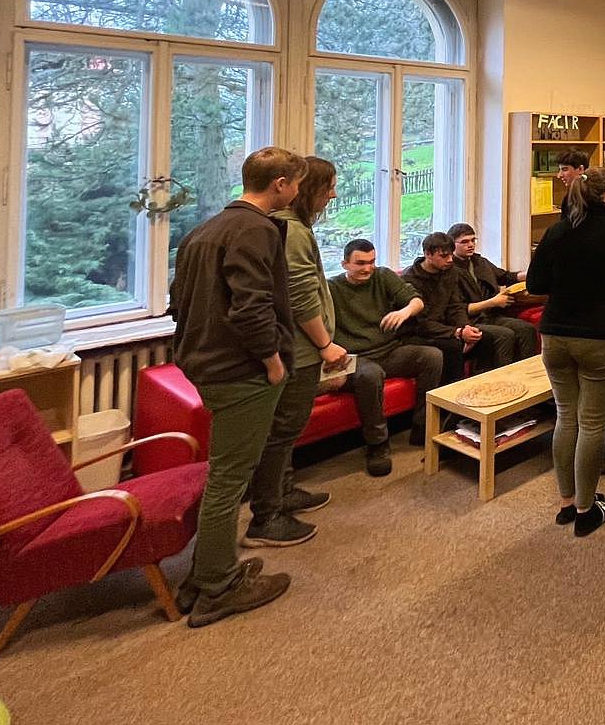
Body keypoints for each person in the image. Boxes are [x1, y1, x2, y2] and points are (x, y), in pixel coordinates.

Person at [167, 146, 304, 627]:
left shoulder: (205, 230)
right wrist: (272, 361)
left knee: (226, 473)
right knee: (229, 479)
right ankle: (218, 587)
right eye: (296, 183)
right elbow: (251, 306)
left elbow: (178, 300)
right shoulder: (257, 230)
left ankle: (205, 573)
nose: (297, 192)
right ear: (281, 184)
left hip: (205, 364)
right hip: (241, 370)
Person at [527, 167, 605, 537]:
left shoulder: (556, 232)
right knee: (592, 423)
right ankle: (586, 508)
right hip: (600, 337)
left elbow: (535, 283)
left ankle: (566, 502)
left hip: (555, 335)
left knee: (566, 417)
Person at [244, 156, 349, 548]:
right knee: (283, 430)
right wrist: (324, 344)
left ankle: (283, 491)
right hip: (301, 351)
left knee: (286, 430)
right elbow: (301, 296)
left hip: (299, 349)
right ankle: (266, 515)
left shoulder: (291, 227)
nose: (333, 195)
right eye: (329, 187)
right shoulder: (292, 231)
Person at [328, 239, 438, 474]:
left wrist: (404, 311)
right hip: (356, 358)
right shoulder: (332, 289)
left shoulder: (382, 276)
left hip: (389, 350)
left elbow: (417, 301)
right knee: (371, 374)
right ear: (345, 264)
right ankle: (377, 444)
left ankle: (421, 427)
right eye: (360, 263)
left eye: (372, 262)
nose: (367, 268)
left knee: (432, 356)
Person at [402, 232, 499, 385]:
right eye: (443, 256)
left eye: (451, 255)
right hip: (417, 333)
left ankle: (482, 387)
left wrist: (465, 327)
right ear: (427, 254)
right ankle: (451, 394)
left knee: (484, 338)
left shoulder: (450, 271)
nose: (450, 260)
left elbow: (455, 306)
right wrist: (457, 333)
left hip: (444, 328)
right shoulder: (410, 279)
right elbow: (421, 323)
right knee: (452, 346)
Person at [448, 221, 538, 360]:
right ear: (452, 245)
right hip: (470, 321)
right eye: (464, 242)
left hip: (491, 315)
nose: (471, 245)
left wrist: (531, 274)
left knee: (527, 329)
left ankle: (525, 370)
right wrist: (493, 302)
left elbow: (505, 277)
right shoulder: (450, 270)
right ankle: (503, 373)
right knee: (505, 335)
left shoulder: (479, 262)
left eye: (473, 240)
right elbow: (459, 309)